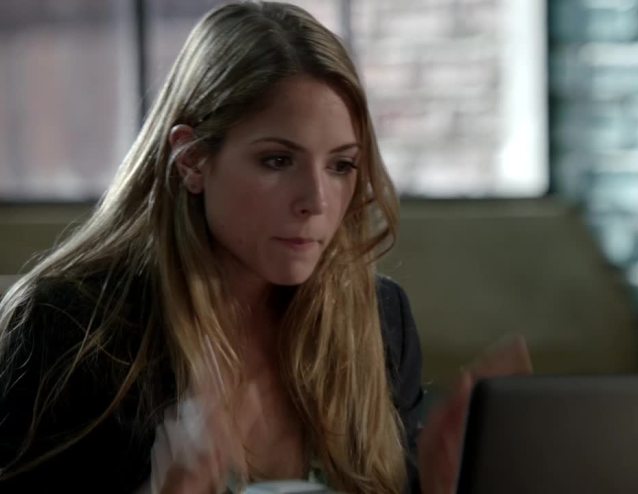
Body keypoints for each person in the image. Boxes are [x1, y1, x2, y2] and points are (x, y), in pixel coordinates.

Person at [0, 2, 531, 493]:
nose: (316, 201)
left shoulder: (377, 318)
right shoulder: (67, 329)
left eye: (341, 165)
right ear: (192, 160)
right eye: (278, 160)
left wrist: (438, 485)